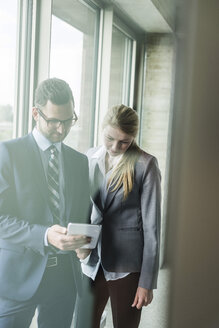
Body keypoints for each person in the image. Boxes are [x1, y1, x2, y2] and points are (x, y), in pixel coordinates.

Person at [0, 77, 91, 328]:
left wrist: (84, 242)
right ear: (35, 113)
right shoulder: (8, 153)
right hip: (18, 276)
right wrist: (45, 235)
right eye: (53, 121)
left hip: (64, 277)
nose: (61, 130)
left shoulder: (78, 161)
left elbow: (82, 212)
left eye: (68, 121)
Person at [76, 104, 161, 328]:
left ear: (134, 137)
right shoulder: (89, 157)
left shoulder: (145, 165)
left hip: (127, 264)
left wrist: (147, 282)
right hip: (92, 260)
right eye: (110, 138)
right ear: (102, 129)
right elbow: (84, 207)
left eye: (124, 141)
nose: (115, 147)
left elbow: (152, 229)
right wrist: (80, 241)